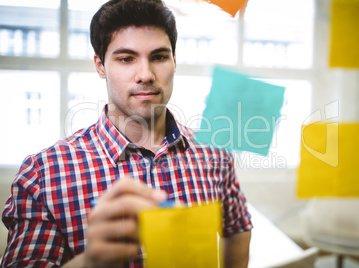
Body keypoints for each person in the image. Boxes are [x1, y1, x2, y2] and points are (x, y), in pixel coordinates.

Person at [0, 0, 252, 267]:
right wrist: (90, 262)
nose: (145, 74)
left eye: (159, 57)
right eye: (126, 58)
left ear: (174, 61)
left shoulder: (214, 151)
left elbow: (237, 227)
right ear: (100, 66)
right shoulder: (42, 174)